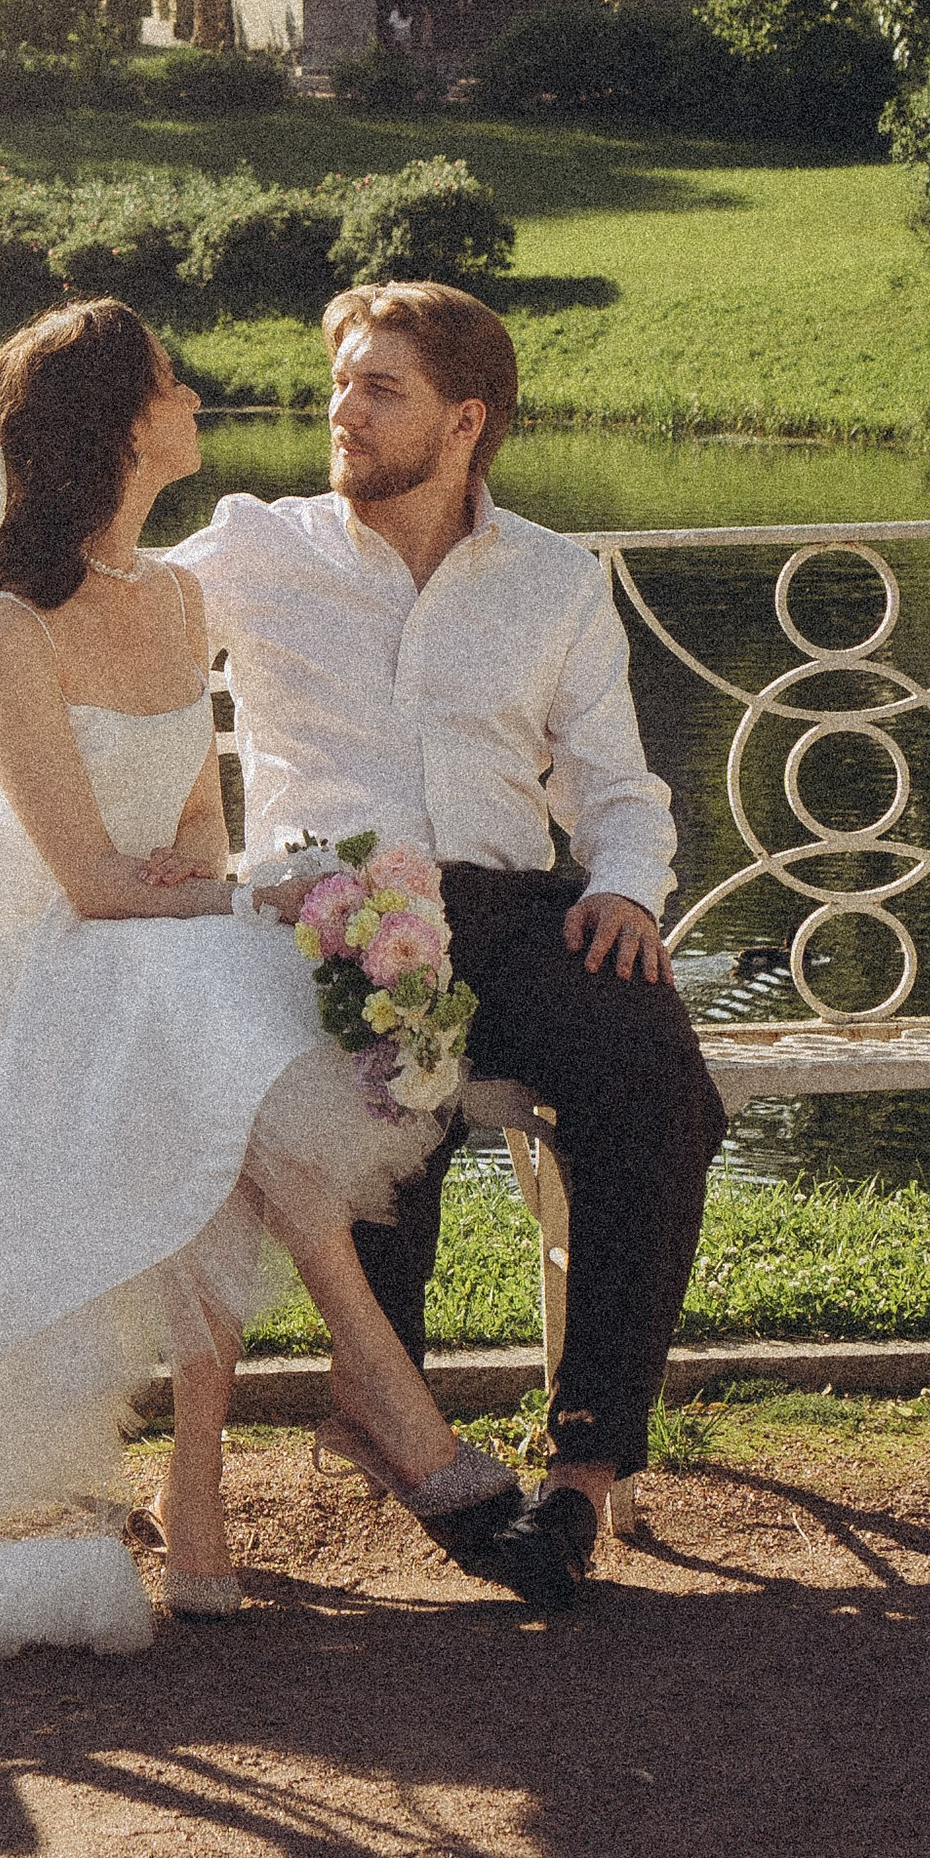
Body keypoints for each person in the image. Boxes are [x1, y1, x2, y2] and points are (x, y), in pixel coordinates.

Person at [0, 300, 567, 1654]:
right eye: (170, 384)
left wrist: (229, 892)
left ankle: (218, 1477)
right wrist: (245, 896)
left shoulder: (181, 601)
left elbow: (194, 834)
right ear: (122, 431)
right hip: (14, 975)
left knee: (215, 1020)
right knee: (214, 1024)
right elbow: (85, 880)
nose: (196, 398)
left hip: (144, 954)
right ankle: (372, 1408)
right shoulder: (1, 625)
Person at [173, 283, 728, 1604]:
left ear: (465, 422)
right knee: (390, 1073)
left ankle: (583, 1468)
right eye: (340, 383)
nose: (342, 412)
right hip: (330, 910)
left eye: (381, 390)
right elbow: (111, 627)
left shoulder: (554, 579)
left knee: (661, 1089)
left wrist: (628, 892)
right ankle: (393, 1412)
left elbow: (616, 787)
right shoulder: (257, 547)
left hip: (512, 909)